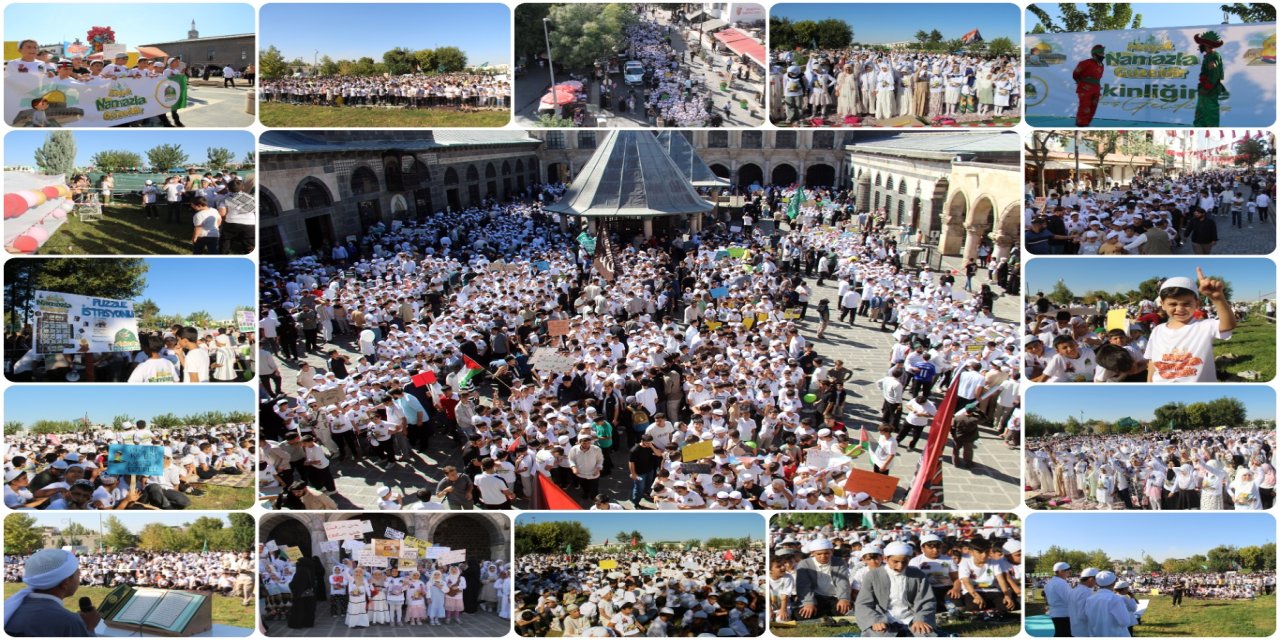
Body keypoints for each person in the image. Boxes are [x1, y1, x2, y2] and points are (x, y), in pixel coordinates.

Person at [1145, 271, 1237, 383]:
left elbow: (1229, 325)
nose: (1179, 309)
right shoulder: (1157, 330)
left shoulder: (1204, 326)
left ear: (1197, 304)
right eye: (1173, 304)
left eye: (1186, 304)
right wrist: (1149, 382)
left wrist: (1218, 298)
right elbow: (1152, 361)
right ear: (1163, 304)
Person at [3, 548, 98, 637]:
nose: (80, 575)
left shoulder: (13, 609)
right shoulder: (67, 622)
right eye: (77, 572)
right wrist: (88, 628)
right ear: (65, 583)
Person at [854, 541, 937, 637]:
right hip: (883, 617)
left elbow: (927, 601)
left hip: (912, 617)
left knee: (926, 634)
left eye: (904, 561)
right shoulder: (873, 575)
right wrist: (875, 620)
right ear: (886, 559)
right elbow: (863, 603)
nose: (900, 565)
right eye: (895, 561)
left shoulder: (917, 574)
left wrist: (921, 619)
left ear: (909, 559)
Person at [794, 538, 851, 619]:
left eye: (826, 553)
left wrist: (843, 599)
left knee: (849, 611)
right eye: (819, 554)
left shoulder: (839, 562)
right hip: (815, 597)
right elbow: (803, 586)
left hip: (834, 597)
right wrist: (809, 603)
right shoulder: (805, 564)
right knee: (803, 615)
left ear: (832, 551)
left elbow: (842, 582)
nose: (823, 556)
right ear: (812, 553)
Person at [1081, 571, 1133, 637]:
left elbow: (1087, 617)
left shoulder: (1090, 599)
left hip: (1096, 634)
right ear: (1114, 583)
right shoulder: (1115, 599)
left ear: (1097, 583)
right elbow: (1125, 622)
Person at [1192, 31, 1227, 127]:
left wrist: (1207, 86)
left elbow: (1214, 73)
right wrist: (1203, 80)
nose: (1200, 46)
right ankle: (1200, 125)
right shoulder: (1208, 56)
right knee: (1201, 108)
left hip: (1210, 89)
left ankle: (1211, 126)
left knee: (1211, 109)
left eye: (1201, 44)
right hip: (1205, 88)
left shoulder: (1213, 56)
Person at [1072, 45, 1105, 127]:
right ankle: (1081, 124)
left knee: (1093, 107)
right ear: (1094, 54)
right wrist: (1081, 83)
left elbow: (1098, 77)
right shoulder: (1085, 63)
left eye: (1103, 53)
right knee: (1084, 106)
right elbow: (1075, 74)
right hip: (1085, 88)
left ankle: (1086, 123)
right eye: (1100, 53)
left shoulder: (1101, 65)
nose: (1103, 54)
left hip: (1096, 88)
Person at [1044, 562, 1074, 637]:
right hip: (1064, 614)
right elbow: (1069, 599)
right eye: (1068, 570)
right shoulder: (1061, 583)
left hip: (1055, 613)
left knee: (1059, 634)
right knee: (1065, 635)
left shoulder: (1049, 582)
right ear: (1061, 571)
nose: (1070, 571)